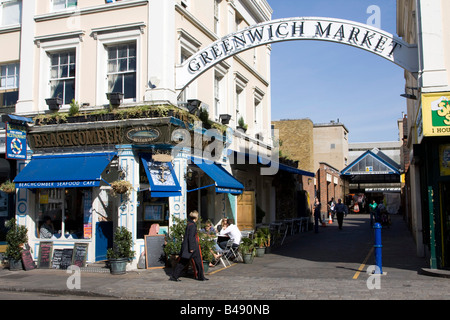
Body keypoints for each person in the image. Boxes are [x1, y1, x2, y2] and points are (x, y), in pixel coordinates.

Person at [170, 210, 208, 282]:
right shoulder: (192, 225)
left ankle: (201, 276)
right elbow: (191, 237)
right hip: (191, 247)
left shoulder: (189, 224)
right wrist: (191, 248)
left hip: (192, 246)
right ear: (196, 217)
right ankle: (174, 276)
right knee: (183, 262)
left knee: (198, 262)